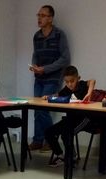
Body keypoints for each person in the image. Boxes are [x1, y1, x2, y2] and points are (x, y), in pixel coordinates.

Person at [29, 5, 70, 152]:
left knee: (43, 109)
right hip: (39, 77)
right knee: (36, 109)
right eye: (38, 15)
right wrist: (34, 66)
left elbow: (65, 59)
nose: (39, 18)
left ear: (51, 18)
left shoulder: (59, 34)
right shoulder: (37, 36)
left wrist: (46, 69)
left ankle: (50, 140)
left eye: (43, 15)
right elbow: (35, 54)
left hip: (53, 78)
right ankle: (38, 140)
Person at [43, 65, 95, 166]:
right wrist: (48, 96)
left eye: (72, 81)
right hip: (70, 119)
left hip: (84, 119)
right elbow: (57, 95)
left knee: (66, 134)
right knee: (48, 132)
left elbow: (92, 81)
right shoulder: (66, 89)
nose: (70, 84)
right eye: (67, 82)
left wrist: (89, 93)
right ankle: (60, 155)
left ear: (78, 78)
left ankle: (72, 157)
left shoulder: (82, 85)